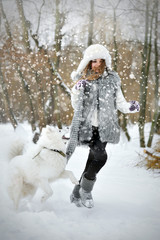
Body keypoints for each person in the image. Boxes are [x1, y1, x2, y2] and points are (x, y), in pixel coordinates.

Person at [66, 44, 140, 208]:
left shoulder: (113, 80)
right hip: (88, 127)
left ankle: (78, 191)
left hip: (105, 128)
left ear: (106, 62)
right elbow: (75, 104)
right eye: (94, 61)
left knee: (94, 158)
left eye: (101, 61)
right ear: (88, 62)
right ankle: (86, 190)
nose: (98, 64)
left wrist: (130, 107)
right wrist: (77, 90)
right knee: (100, 157)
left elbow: (120, 102)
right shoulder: (83, 80)